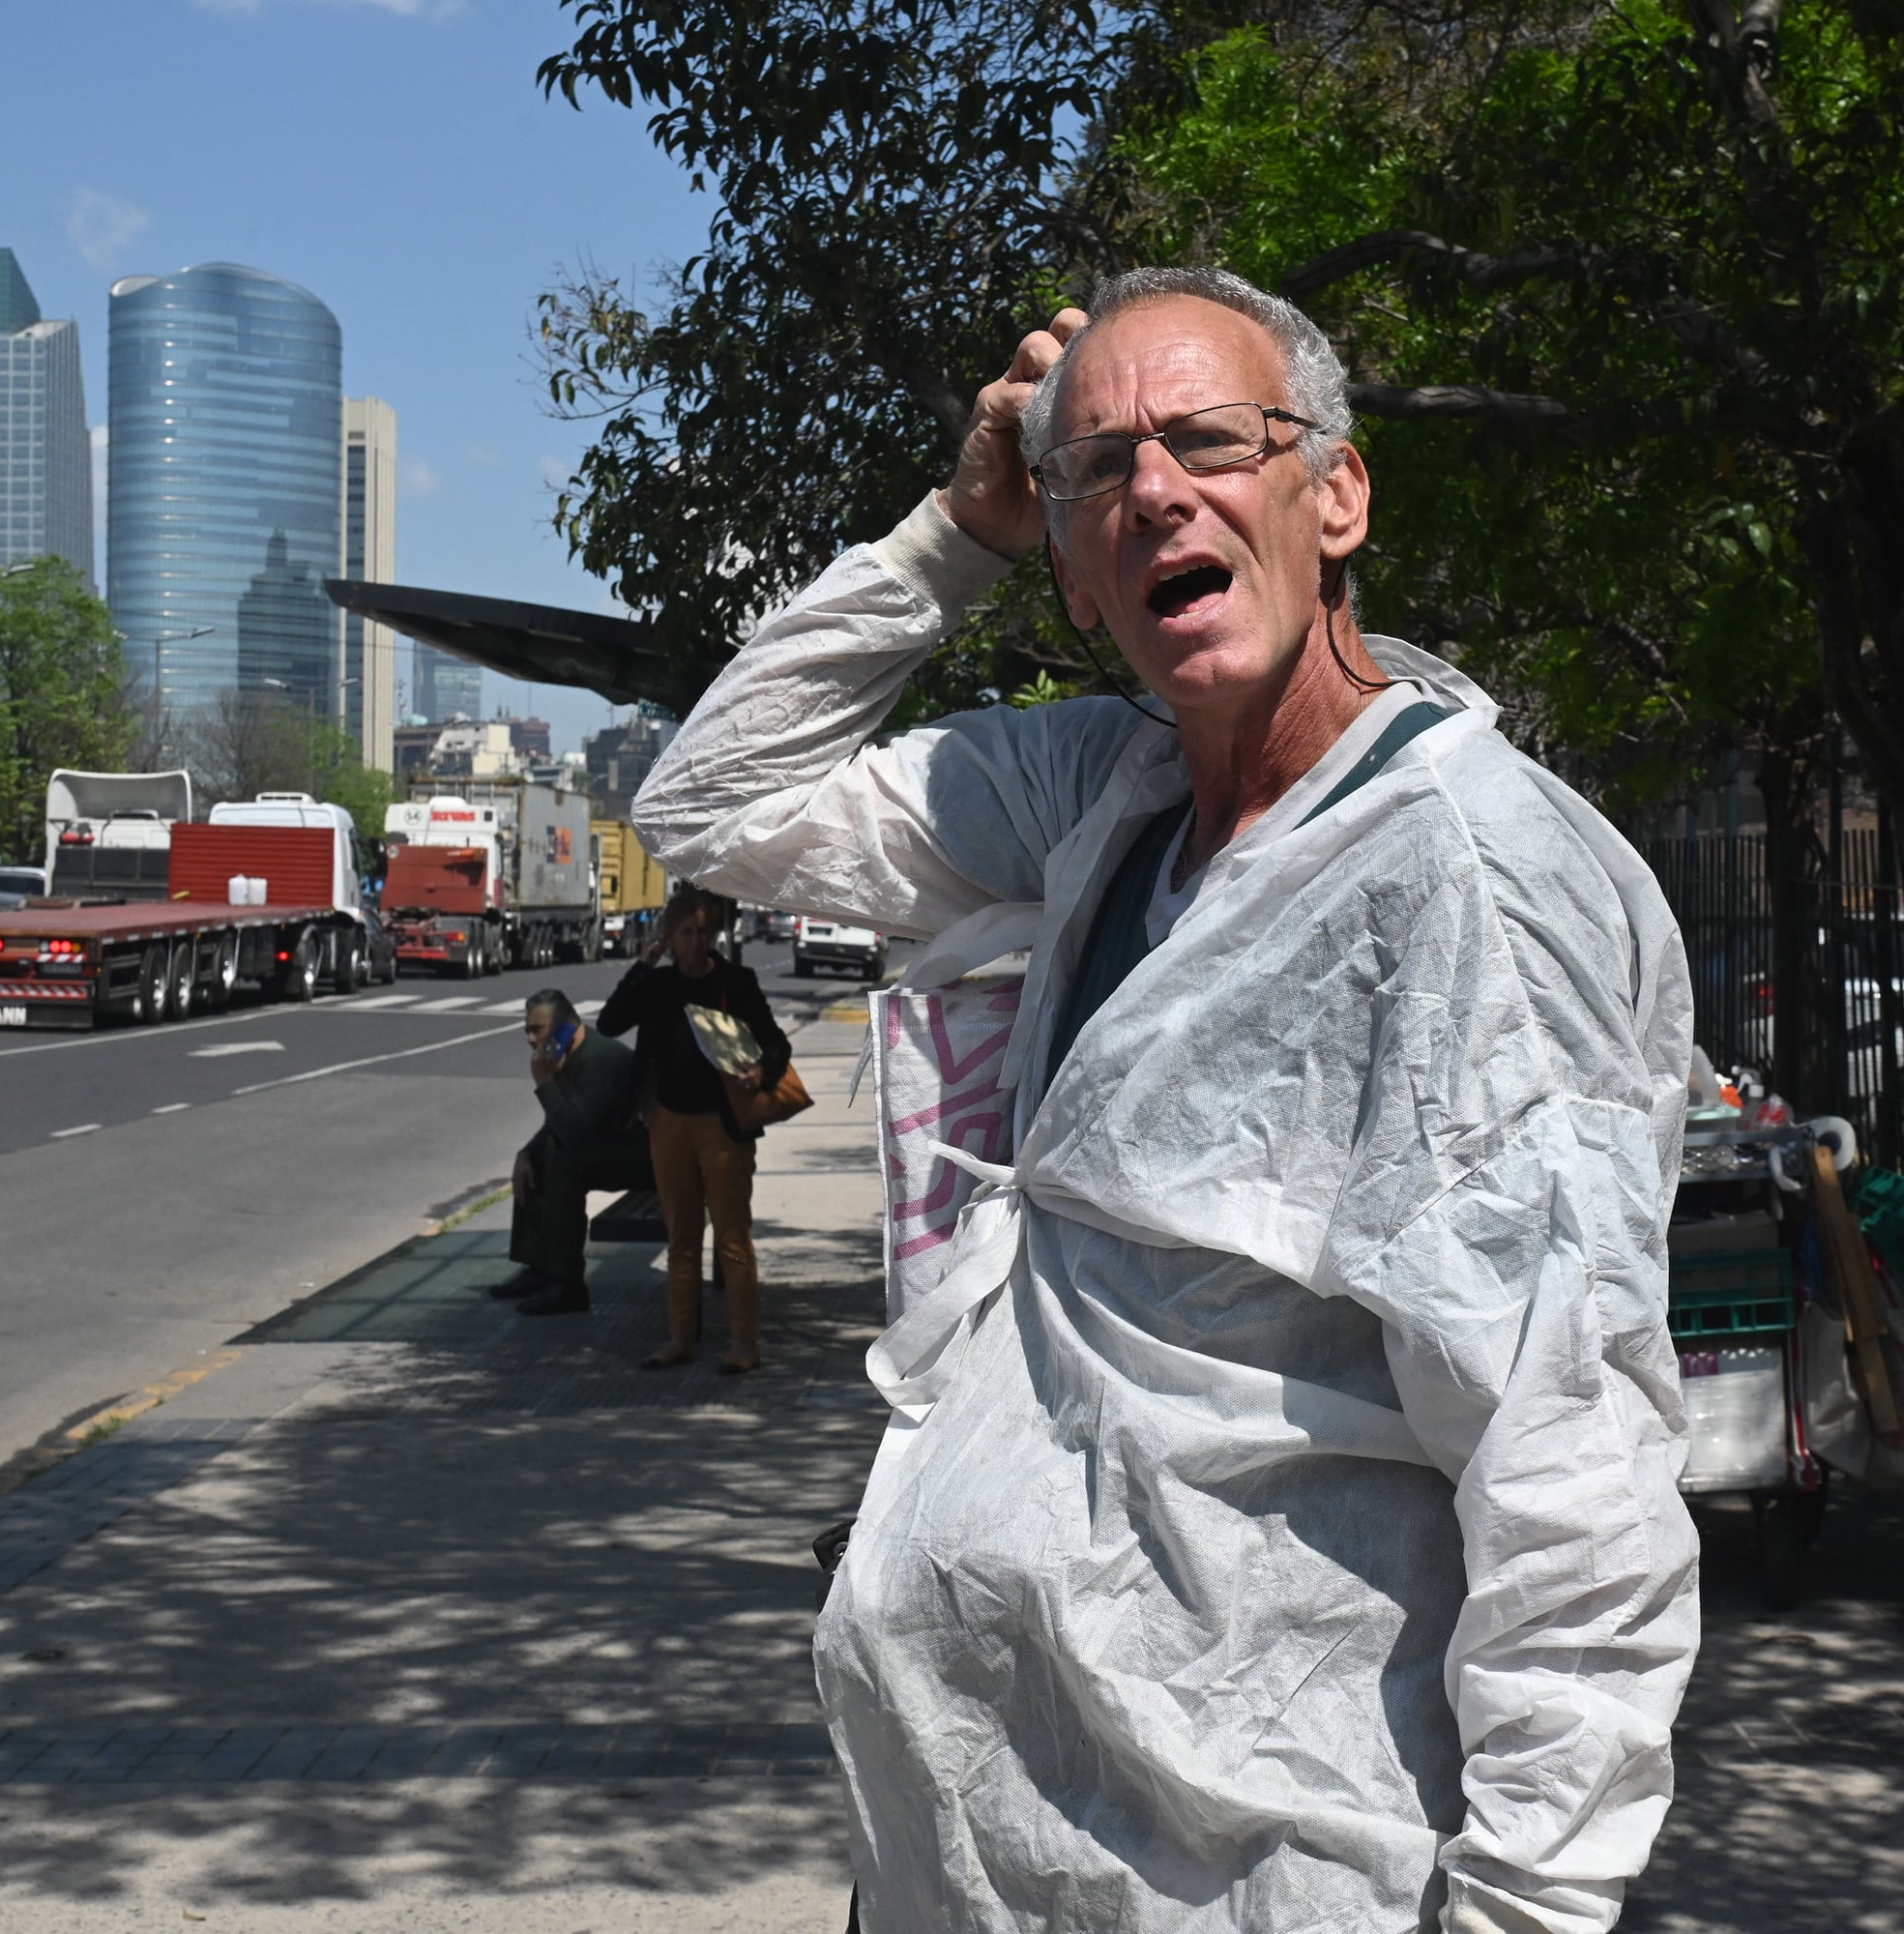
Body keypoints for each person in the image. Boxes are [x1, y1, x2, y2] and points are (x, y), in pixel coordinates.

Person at [633, 266, 1698, 1933]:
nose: (1153, 491)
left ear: (1334, 493)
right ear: (1068, 570)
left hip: (1256, 1878)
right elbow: (717, 805)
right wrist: (953, 530)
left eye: (1210, 437)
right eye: (1098, 474)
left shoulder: (1469, 882)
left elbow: (1572, 1468)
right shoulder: (1102, 795)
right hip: (993, 1850)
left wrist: (1528, 1909)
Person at [598, 885, 791, 1373]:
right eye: (685, 932)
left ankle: (744, 1343)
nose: (695, 940)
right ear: (669, 935)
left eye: (704, 931)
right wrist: (644, 965)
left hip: (722, 1126)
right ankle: (681, 1337)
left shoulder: (736, 982)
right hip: (668, 1121)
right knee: (681, 1237)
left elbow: (775, 1045)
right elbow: (608, 1023)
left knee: (731, 1236)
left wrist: (760, 1072)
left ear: (716, 934)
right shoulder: (657, 986)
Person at [493, 988, 652, 1316]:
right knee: (538, 1157)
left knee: (565, 1161)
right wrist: (526, 1152)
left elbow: (574, 1132)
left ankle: (567, 1285)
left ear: (566, 1027)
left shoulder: (598, 1060)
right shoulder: (569, 1053)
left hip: (649, 1157)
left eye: (537, 1030)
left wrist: (544, 1083)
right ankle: (540, 1266)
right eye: (527, 1030)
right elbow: (562, 1122)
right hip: (613, 1144)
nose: (530, 1039)